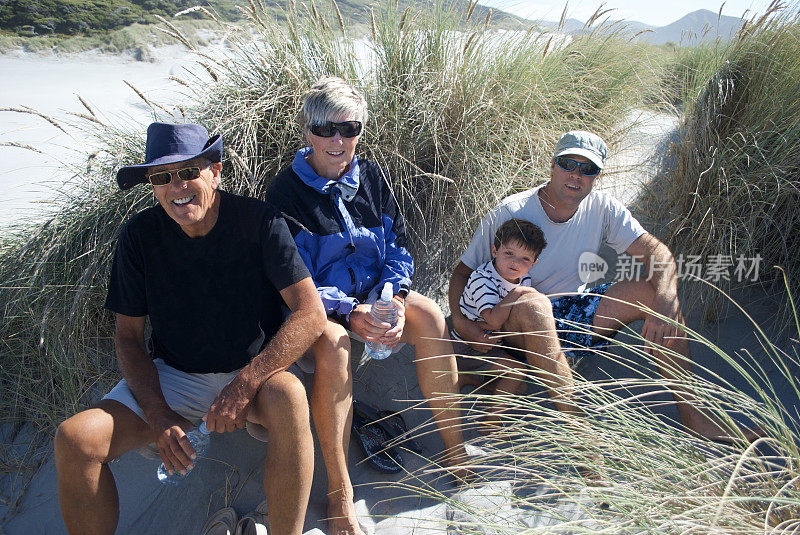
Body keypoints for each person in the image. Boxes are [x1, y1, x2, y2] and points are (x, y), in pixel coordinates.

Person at [54, 122, 326, 535]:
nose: (176, 186)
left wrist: (245, 383)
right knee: (74, 441)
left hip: (250, 373)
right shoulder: (139, 236)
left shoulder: (260, 222)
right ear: (152, 186)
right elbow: (128, 339)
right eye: (162, 177)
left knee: (289, 396)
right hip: (173, 378)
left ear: (215, 171)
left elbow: (311, 314)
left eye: (188, 171)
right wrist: (158, 414)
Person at [449, 130, 760, 442]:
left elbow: (656, 252)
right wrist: (462, 323)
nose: (576, 176)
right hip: (509, 323)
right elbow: (463, 272)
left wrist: (667, 299)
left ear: (597, 175)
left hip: (568, 312)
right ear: (553, 165)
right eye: (568, 163)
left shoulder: (602, 208)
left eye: (588, 169)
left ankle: (695, 419)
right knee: (533, 302)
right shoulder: (512, 212)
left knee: (655, 293)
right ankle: (581, 435)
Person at [265, 77, 470, 532]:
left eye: (349, 128)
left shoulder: (371, 177)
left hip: (374, 295)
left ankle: (455, 448)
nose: (337, 141)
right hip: (319, 308)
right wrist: (350, 313)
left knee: (431, 315)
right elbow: (294, 277)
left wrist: (394, 296)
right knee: (335, 344)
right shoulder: (284, 192)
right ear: (306, 131)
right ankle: (341, 495)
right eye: (325, 129)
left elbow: (397, 244)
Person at [453, 218, 546, 407]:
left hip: (492, 340)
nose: (515, 263)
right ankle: (492, 419)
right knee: (517, 372)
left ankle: (469, 377)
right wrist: (519, 293)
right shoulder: (483, 280)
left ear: (534, 263)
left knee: (520, 389)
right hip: (466, 346)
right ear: (495, 250)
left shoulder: (523, 277)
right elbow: (494, 321)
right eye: (509, 253)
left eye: (525, 259)